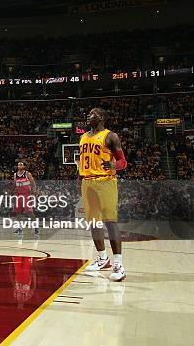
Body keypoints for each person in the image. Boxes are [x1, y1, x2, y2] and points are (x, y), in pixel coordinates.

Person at [80, 108, 127, 282]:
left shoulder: (110, 136)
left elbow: (123, 161)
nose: (87, 115)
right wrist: (80, 181)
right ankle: (102, 258)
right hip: (87, 181)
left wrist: (114, 166)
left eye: (91, 113)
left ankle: (118, 264)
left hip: (105, 181)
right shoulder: (83, 137)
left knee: (110, 222)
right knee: (93, 222)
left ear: (100, 118)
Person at [13, 161, 39, 237]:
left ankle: (36, 227)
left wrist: (34, 191)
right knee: (18, 212)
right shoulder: (15, 175)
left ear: (24, 166)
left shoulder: (27, 174)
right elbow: (15, 184)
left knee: (29, 212)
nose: (19, 166)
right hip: (18, 195)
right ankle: (19, 228)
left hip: (26, 195)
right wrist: (12, 191)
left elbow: (33, 183)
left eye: (21, 164)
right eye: (18, 165)